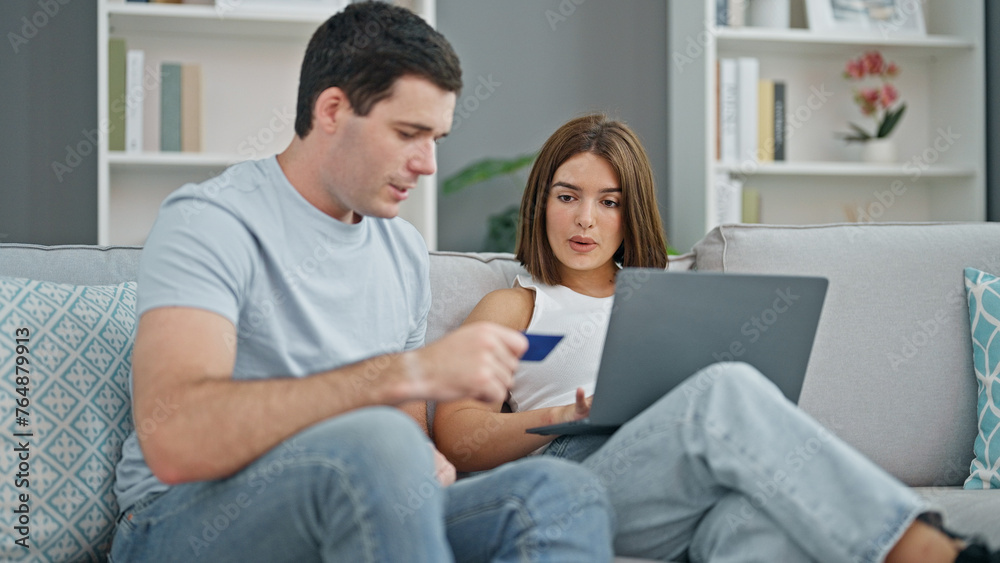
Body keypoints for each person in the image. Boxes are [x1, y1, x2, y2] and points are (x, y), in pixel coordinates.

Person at [109, 4, 615, 562]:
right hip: (185, 520)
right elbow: (175, 441)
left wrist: (428, 462)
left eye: (437, 139)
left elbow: (402, 437)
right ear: (331, 110)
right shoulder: (210, 222)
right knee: (379, 447)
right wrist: (404, 378)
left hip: (358, 498)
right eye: (408, 133)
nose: (427, 164)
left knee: (560, 492)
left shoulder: (400, 250)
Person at [433, 113, 1000, 563]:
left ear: (631, 216)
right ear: (541, 203)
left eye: (609, 202)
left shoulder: (664, 295)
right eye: (567, 196)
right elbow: (459, 435)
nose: (586, 219)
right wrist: (563, 414)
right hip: (584, 475)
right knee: (723, 389)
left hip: (687, 491)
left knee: (761, 531)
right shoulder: (515, 305)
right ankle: (930, 549)